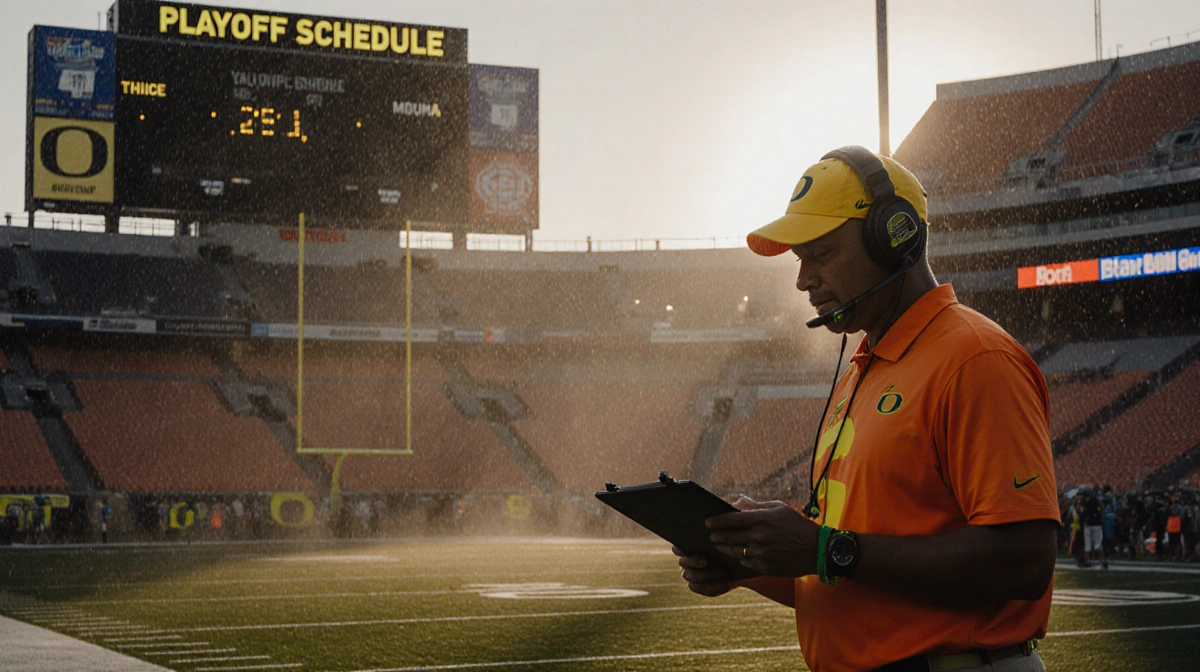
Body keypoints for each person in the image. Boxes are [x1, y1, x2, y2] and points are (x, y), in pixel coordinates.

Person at [674, 147, 1059, 672]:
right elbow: (851, 573)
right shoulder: (865, 367)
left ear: (893, 235)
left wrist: (825, 549)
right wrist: (749, 561)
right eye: (799, 259)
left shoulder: (975, 359)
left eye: (822, 253)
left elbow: (1024, 560)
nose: (802, 279)